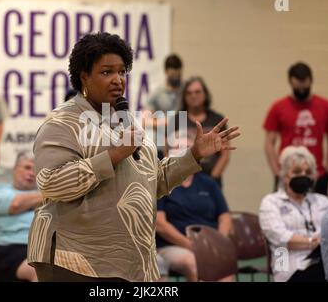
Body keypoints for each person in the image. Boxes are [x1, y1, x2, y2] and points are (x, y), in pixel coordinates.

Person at [27, 32, 240, 282]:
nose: (118, 80)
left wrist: (194, 154)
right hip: (75, 259)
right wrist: (114, 154)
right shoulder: (63, 122)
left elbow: (154, 181)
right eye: (106, 72)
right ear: (84, 77)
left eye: (121, 72)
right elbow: (52, 183)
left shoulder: (123, 121)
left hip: (127, 260)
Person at [156, 135, 232, 281]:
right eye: (176, 147)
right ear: (167, 154)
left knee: (225, 267)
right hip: (172, 246)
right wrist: (191, 245)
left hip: (209, 245)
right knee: (193, 262)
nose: (181, 152)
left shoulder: (208, 183)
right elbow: (160, 224)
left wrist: (219, 244)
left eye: (186, 148)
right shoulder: (162, 182)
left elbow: (225, 217)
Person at [263, 62, 328, 195]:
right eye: (297, 86)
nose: (301, 90)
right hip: (287, 173)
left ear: (310, 81)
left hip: (316, 173)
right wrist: (276, 171)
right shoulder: (278, 107)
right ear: (291, 82)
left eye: (304, 86)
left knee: (318, 210)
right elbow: (269, 142)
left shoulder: (326, 106)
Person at [259, 146, 328, 282]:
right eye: (297, 171)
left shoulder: (322, 201)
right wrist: (313, 242)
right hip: (284, 258)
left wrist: (321, 242)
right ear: (285, 176)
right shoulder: (271, 201)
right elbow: (279, 236)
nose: (303, 175)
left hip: (322, 261)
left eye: (308, 172)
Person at [0, 151, 42, 282]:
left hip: (44, 248)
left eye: (36, 170)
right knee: (40, 270)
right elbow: (16, 204)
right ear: (15, 168)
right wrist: (51, 195)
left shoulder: (44, 194)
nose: (32, 173)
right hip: (9, 249)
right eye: (27, 167)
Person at [174, 77, 230, 187]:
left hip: (210, 180)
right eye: (189, 93)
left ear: (205, 94)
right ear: (184, 97)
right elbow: (168, 152)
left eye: (197, 92)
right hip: (181, 182)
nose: (193, 96)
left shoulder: (217, 119)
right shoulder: (176, 120)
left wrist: (213, 178)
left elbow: (225, 154)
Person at [144, 54, 184, 159]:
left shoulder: (186, 90)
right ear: (166, 72)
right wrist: (164, 122)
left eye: (178, 75)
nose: (176, 78)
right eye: (173, 75)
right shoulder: (157, 93)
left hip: (183, 142)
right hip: (162, 144)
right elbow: (145, 120)